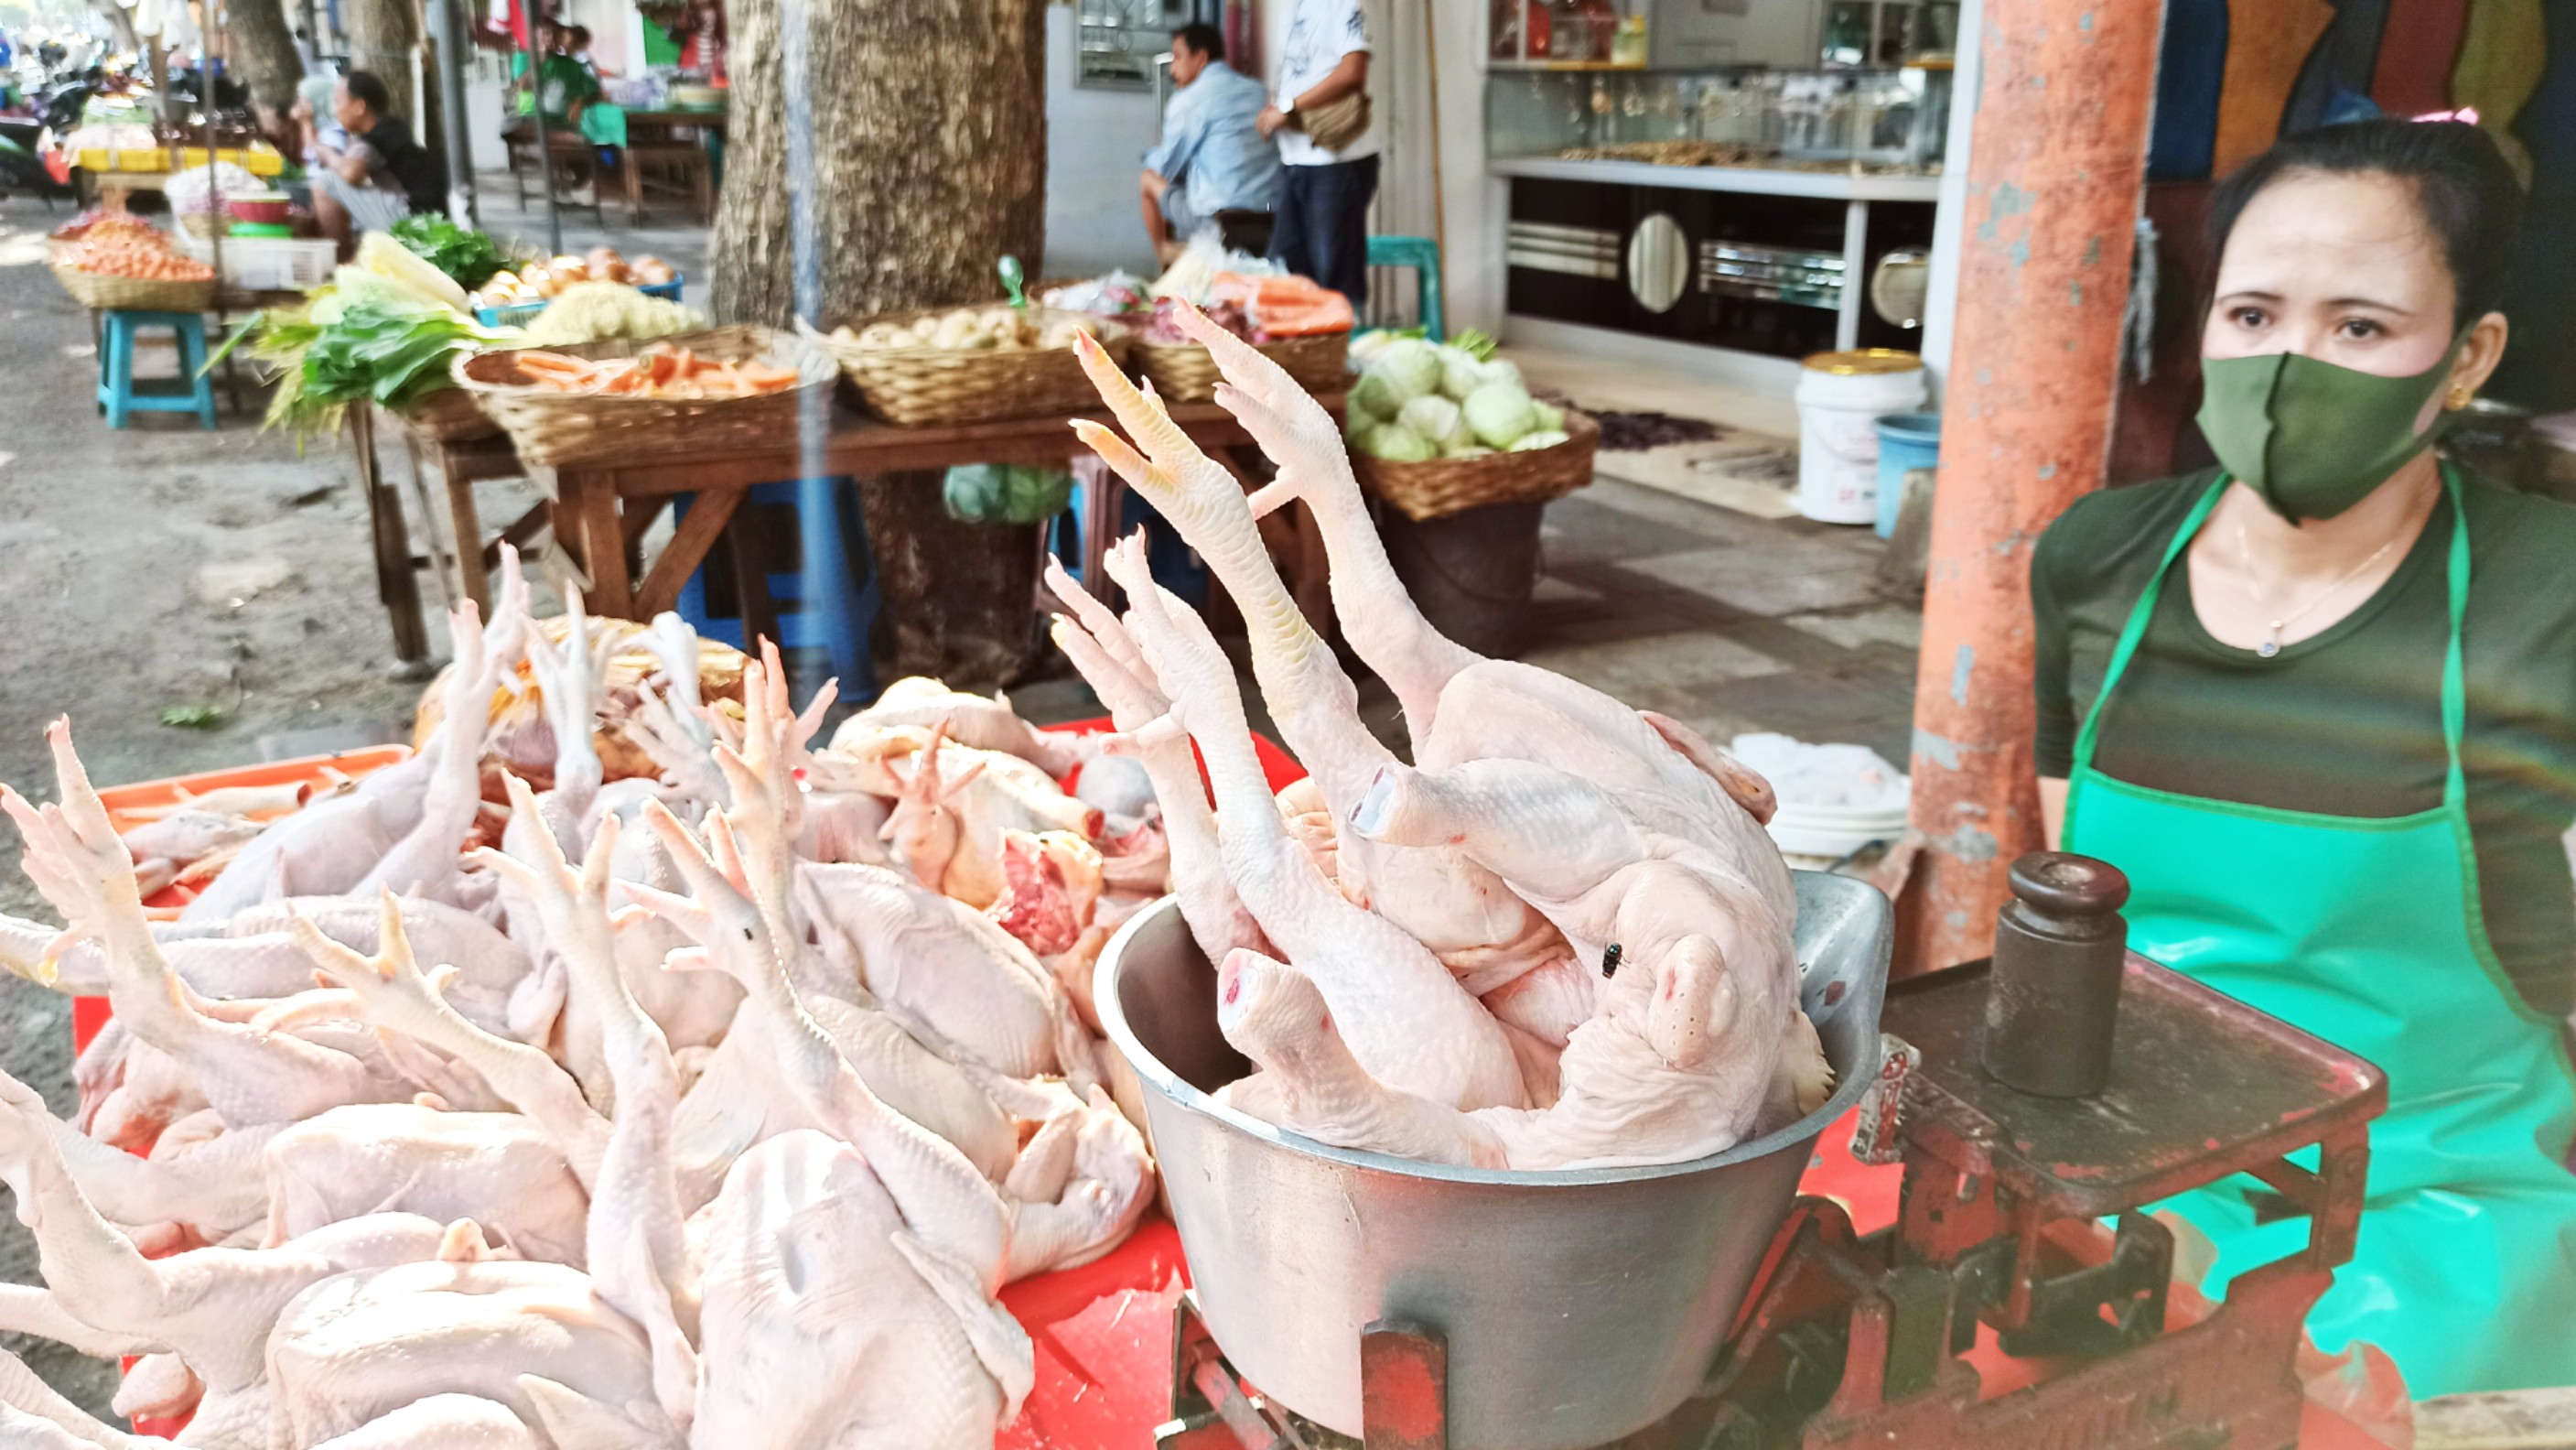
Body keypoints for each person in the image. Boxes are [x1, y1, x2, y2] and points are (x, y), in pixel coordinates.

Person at [2032, 118, 2576, 1398]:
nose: (2287, 369)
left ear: (2465, 356)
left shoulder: (2541, 603)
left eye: (2357, 329)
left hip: (2435, 1200)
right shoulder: (2095, 563)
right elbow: (2078, 900)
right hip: (2138, 1177)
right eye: (2251, 314)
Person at [1258, 0, 1377, 307]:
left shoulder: (1344, 4)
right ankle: (1304, 355)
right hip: (1294, 160)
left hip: (1335, 163)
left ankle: (1342, 353)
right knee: (1286, 275)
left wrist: (1288, 107)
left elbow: (1353, 71)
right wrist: (1274, 108)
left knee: (1334, 282)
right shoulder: (1292, 9)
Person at [1139, 22, 1278, 265]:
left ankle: (1164, 255)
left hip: (1220, 222)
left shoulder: (1189, 100)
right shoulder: (1259, 90)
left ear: (1201, 57)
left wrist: (1149, 155)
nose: (1173, 69)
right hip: (1271, 216)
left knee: (1149, 179)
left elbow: (1165, 167)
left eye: (1178, 57)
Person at [303, 70, 445, 254]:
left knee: (325, 183)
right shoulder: (394, 127)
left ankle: (340, 263)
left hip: (410, 220)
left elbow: (351, 173)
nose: (336, 111)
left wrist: (328, 155)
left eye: (338, 102)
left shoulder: (378, 135)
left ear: (359, 107)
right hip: (425, 216)